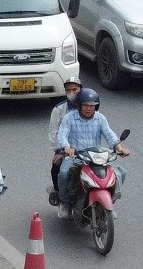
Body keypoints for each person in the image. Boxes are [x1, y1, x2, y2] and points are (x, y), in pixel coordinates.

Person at [56, 88, 130, 220]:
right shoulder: (68, 118)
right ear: (79, 105)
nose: (89, 108)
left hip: (96, 157)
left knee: (120, 173)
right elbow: (62, 135)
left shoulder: (100, 118)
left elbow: (109, 135)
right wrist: (67, 148)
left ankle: (109, 204)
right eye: (86, 105)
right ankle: (65, 204)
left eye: (92, 106)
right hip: (76, 157)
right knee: (64, 173)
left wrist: (120, 148)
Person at [48, 76, 82, 205]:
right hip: (66, 148)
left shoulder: (90, 106)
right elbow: (54, 132)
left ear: (81, 89)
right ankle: (58, 192)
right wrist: (59, 150)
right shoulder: (59, 109)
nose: (72, 93)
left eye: (75, 89)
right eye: (69, 90)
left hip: (86, 149)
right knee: (57, 167)